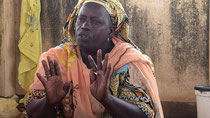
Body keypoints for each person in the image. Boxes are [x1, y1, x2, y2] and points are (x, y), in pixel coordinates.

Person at [26, 0, 164, 118]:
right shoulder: (56, 60)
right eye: (81, 19)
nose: (85, 26)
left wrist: (106, 99)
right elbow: (32, 112)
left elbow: (145, 114)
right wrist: (48, 102)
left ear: (111, 31)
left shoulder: (128, 62)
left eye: (95, 21)